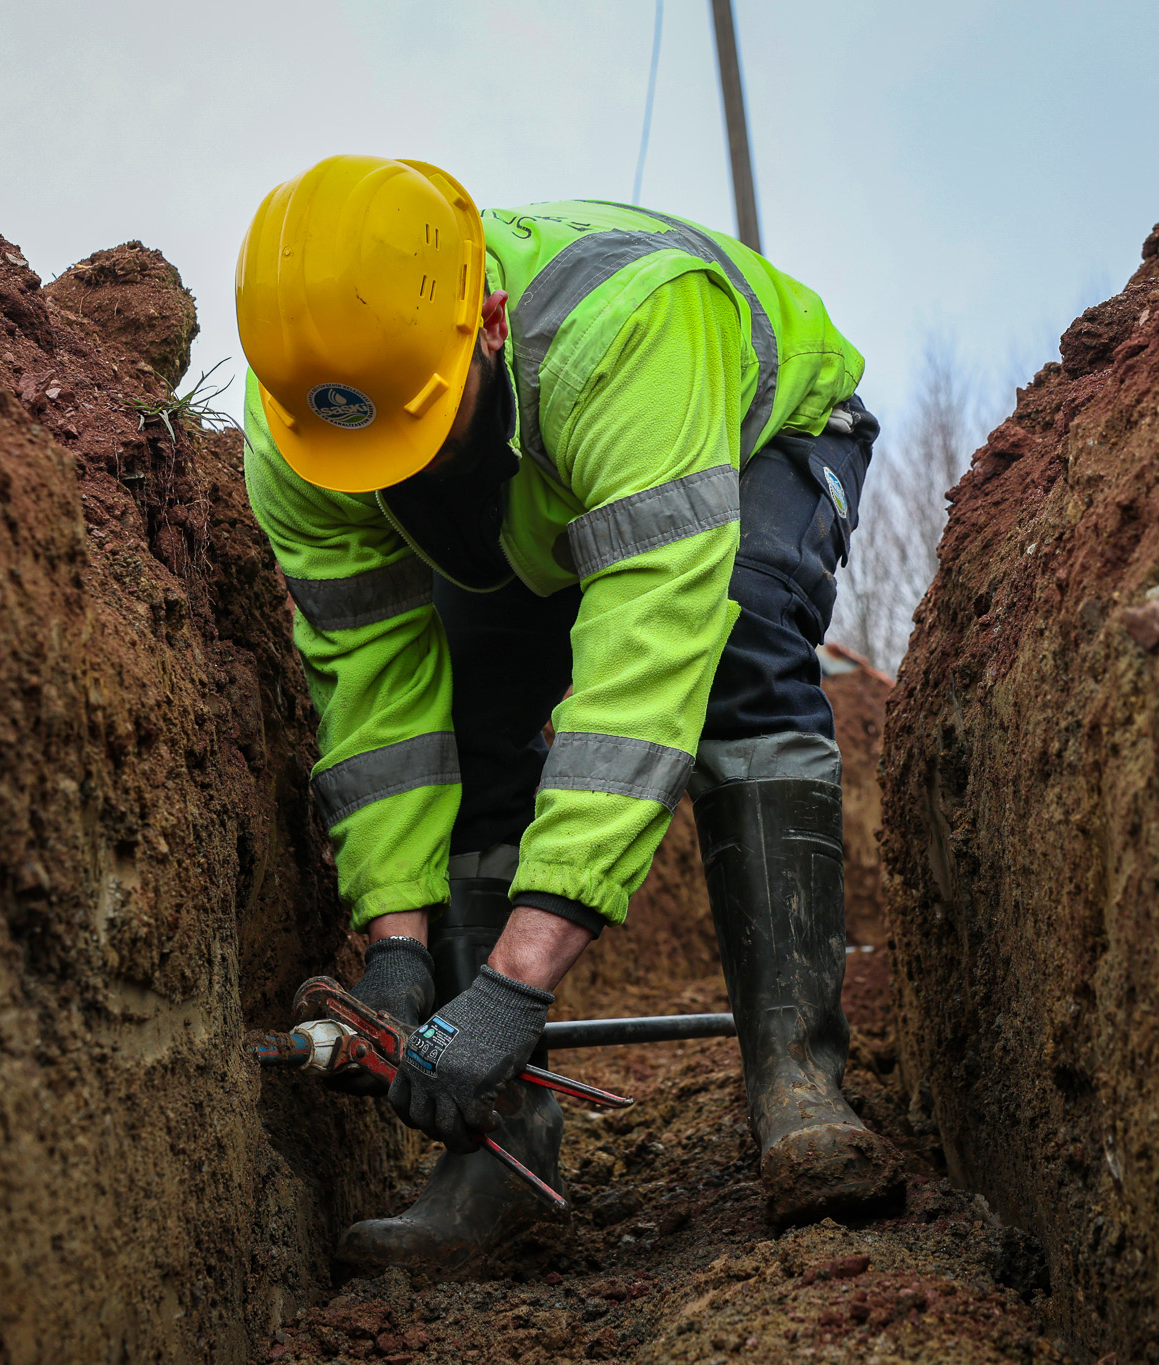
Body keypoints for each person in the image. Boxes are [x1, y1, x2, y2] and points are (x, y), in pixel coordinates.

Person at [237, 155, 903, 1270]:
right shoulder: (307, 432)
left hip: (749, 441)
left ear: (487, 322)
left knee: (738, 639)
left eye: (414, 430)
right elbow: (380, 704)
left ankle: (797, 1081)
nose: (378, 472)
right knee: (462, 708)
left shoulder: (624, 328)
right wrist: (395, 948)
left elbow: (641, 679)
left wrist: (509, 987)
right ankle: (491, 1145)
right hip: (528, 488)